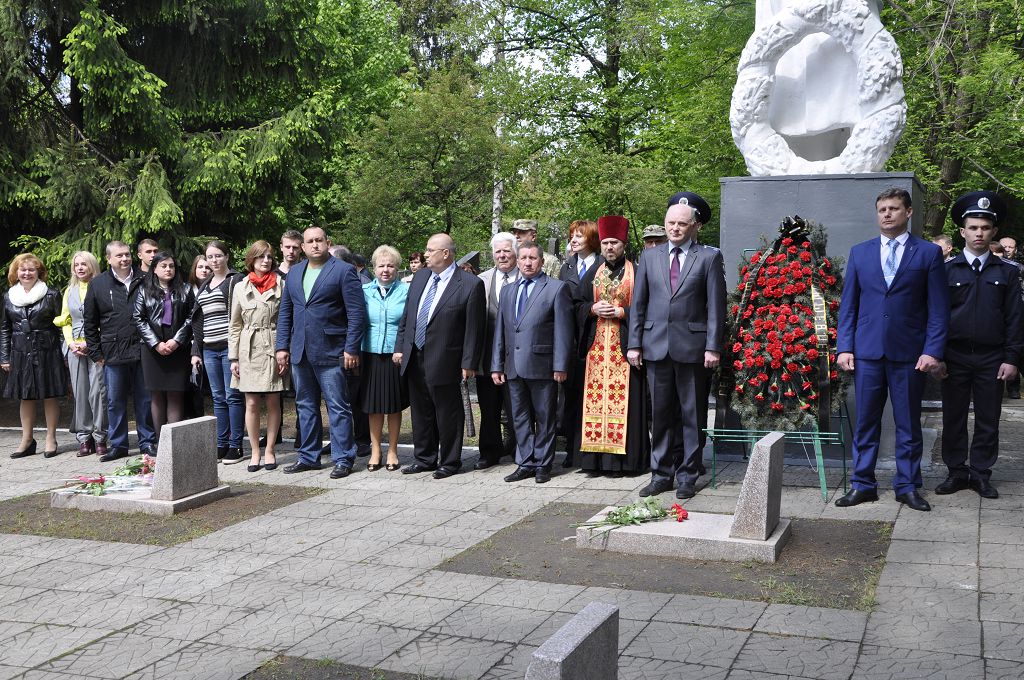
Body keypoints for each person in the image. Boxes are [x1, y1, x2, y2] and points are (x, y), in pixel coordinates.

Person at [835, 188, 949, 512]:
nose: (886, 214)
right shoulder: (860, 252)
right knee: (865, 423)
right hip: (867, 353)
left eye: (894, 208)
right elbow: (849, 306)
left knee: (909, 424)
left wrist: (932, 351)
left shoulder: (928, 253)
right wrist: (845, 347)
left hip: (910, 354)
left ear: (908, 212)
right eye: (882, 209)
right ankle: (862, 485)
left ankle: (908, 486)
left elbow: (939, 309)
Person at [628, 193, 726, 499]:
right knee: (659, 415)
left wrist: (713, 347)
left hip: (693, 349)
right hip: (655, 346)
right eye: (671, 222)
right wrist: (634, 344)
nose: (675, 228)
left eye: (682, 224)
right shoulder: (649, 257)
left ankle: (687, 476)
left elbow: (716, 307)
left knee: (692, 416)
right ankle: (661, 474)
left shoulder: (708, 258)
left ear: (694, 226)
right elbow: (638, 303)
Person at [936, 192, 1022, 500]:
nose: (979, 233)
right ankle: (956, 472)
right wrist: (937, 356)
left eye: (985, 228)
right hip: (954, 356)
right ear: (962, 231)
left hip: (992, 357)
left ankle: (981, 474)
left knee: (988, 418)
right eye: (973, 227)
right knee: (953, 417)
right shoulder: (945, 270)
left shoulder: (1008, 271)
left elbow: (1015, 318)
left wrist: (1012, 358)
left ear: (994, 231)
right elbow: (936, 316)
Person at [275, 227, 365, 478]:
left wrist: (351, 348)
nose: (315, 245)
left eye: (319, 240)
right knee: (305, 406)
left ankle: (343, 458)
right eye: (310, 241)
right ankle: (308, 457)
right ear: (303, 247)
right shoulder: (294, 273)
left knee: (338, 406)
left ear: (328, 243)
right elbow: (286, 312)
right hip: (300, 351)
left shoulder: (343, 270)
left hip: (332, 350)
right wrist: (282, 346)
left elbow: (356, 313)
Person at [394, 233, 485, 478]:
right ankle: (424, 458)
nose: (425, 254)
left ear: (446, 254)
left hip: (447, 359)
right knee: (420, 411)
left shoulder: (469, 284)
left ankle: (450, 461)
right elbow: (408, 317)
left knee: (447, 413)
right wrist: (400, 347)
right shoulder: (421, 277)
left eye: (430, 250)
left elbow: (474, 329)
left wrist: (469, 362)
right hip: (415, 355)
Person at [492, 242, 573, 483]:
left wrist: (560, 365)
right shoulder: (508, 291)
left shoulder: (556, 288)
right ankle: (525, 462)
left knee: (545, 417)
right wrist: (497, 364)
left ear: (541, 261)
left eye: (533, 258)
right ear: (517, 261)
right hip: (513, 366)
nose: (528, 263)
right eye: (524, 258)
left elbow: (563, 331)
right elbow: (501, 331)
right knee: (519, 417)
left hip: (542, 365)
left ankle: (543, 465)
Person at [575, 216, 649, 477]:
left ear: (623, 244)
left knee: (629, 407)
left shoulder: (637, 272)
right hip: (596, 351)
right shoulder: (593, 274)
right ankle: (594, 462)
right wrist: (592, 308)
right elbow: (576, 304)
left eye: (614, 243)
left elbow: (648, 307)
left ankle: (626, 464)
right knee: (594, 405)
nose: (609, 247)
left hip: (625, 348)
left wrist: (622, 312)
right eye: (605, 242)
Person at [84, 241, 156, 461]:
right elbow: (90, 322)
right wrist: (96, 353)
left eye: (126, 254)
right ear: (108, 259)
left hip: (142, 350)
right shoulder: (97, 284)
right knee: (115, 401)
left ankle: (147, 442)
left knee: (145, 399)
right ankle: (118, 445)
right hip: (112, 353)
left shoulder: (145, 279)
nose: (124, 259)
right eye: (119, 256)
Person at [229, 240, 288, 472]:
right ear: (251, 260)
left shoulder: (282, 285)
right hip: (249, 348)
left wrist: (284, 350)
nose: (266, 260)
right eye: (261, 256)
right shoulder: (240, 287)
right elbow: (235, 325)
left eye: (269, 257)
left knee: (273, 400)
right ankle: (255, 451)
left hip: (273, 346)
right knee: (251, 402)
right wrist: (233, 358)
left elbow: (287, 320)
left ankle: (270, 449)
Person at [1, 253, 67, 458]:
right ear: (16, 272)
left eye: (31, 269)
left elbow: (61, 325)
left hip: (48, 350)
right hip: (20, 352)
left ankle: (51, 438)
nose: (27, 273)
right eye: (23, 269)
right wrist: (4, 357)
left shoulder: (51, 294)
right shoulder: (8, 296)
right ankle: (27, 440)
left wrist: (64, 352)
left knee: (50, 394)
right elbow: (5, 328)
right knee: (25, 395)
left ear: (39, 272)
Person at [191, 240, 246, 463]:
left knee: (233, 396)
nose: (214, 260)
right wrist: (196, 351)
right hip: (209, 349)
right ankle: (221, 443)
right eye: (210, 257)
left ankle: (236, 445)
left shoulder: (236, 280)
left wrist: (237, 353)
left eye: (218, 256)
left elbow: (242, 315)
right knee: (218, 397)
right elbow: (197, 321)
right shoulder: (205, 284)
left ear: (227, 256)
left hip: (229, 348)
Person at [133, 251, 195, 438]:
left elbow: (192, 317)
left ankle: (173, 443)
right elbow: (138, 318)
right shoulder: (144, 290)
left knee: (176, 393)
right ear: (154, 269)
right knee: (157, 395)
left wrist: (177, 340)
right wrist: (156, 343)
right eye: (164, 266)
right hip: (153, 350)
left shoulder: (186, 289)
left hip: (178, 349)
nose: (168, 269)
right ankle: (161, 442)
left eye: (171, 266)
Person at [360, 245, 409, 472]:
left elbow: (409, 323)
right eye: (381, 266)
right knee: (374, 406)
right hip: (370, 354)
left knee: (394, 405)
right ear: (374, 268)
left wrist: (402, 348)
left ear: (397, 268)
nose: (386, 270)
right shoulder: (363, 291)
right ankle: (376, 450)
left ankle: (393, 450)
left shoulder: (406, 291)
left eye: (390, 266)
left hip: (395, 355)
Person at [55, 251, 108, 457]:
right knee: (80, 393)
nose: (79, 268)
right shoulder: (70, 290)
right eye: (76, 265)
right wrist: (71, 343)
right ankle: (84, 437)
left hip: (96, 346)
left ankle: (100, 436)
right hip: (75, 348)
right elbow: (66, 320)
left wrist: (90, 342)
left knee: (98, 393)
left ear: (92, 266)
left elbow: (107, 320)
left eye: (84, 264)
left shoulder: (102, 287)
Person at [558, 219, 601, 466]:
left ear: (592, 239)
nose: (573, 240)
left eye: (579, 236)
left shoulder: (602, 264)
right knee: (571, 397)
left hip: (596, 336)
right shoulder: (567, 267)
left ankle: (593, 450)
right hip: (572, 338)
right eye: (572, 235)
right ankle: (572, 449)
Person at [476, 232, 520, 469]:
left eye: (506, 251)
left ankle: (519, 451)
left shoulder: (526, 276)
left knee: (517, 408)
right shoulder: (481, 280)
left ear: (516, 252)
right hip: (487, 356)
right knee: (488, 407)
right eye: (498, 251)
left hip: (517, 356)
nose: (502, 255)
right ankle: (489, 452)